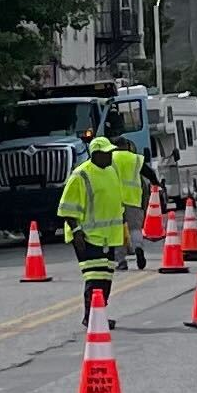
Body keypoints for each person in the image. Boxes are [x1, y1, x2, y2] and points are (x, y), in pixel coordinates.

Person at [55, 135, 136, 323]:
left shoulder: (111, 171)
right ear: (95, 154)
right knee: (95, 278)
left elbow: (115, 201)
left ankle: (98, 315)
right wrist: (76, 232)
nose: (110, 156)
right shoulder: (81, 175)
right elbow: (67, 208)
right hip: (88, 236)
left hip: (109, 236)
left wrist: (124, 226)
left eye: (111, 153)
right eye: (106, 153)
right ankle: (91, 317)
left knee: (106, 278)